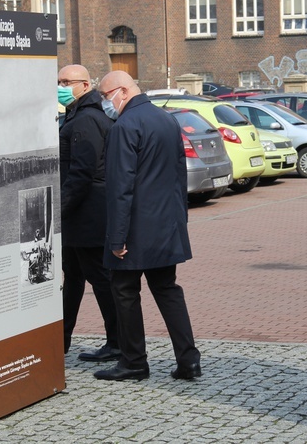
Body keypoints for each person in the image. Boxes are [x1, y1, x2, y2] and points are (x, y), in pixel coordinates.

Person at [94, 70, 201, 381]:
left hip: (136, 227)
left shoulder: (125, 126)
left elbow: (120, 187)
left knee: (124, 290)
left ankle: (134, 361)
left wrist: (116, 237)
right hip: (166, 223)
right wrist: (180, 218)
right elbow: (180, 174)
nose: (105, 102)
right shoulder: (166, 119)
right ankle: (188, 358)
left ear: (123, 91)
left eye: (105, 95)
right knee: (167, 289)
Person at [58, 64, 121, 361]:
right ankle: (61, 338)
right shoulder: (77, 115)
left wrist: (60, 211)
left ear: (84, 85)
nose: (61, 85)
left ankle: (117, 341)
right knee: (72, 278)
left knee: (99, 278)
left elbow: (82, 173)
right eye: (58, 81)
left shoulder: (86, 120)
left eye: (66, 81)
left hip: (87, 215)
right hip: (79, 216)